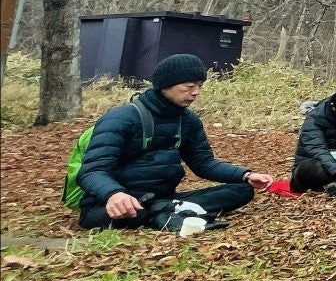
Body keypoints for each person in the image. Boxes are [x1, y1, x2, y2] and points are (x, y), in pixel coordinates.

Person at [75, 54, 272, 232]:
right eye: (189, 86)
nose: (196, 92)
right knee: (121, 213)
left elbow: (204, 164)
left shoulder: (188, 121)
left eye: (200, 86)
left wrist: (245, 175)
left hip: (164, 198)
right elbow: (92, 171)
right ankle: (165, 212)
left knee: (242, 190)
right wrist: (114, 194)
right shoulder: (121, 117)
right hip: (113, 203)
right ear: (165, 85)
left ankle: (166, 211)